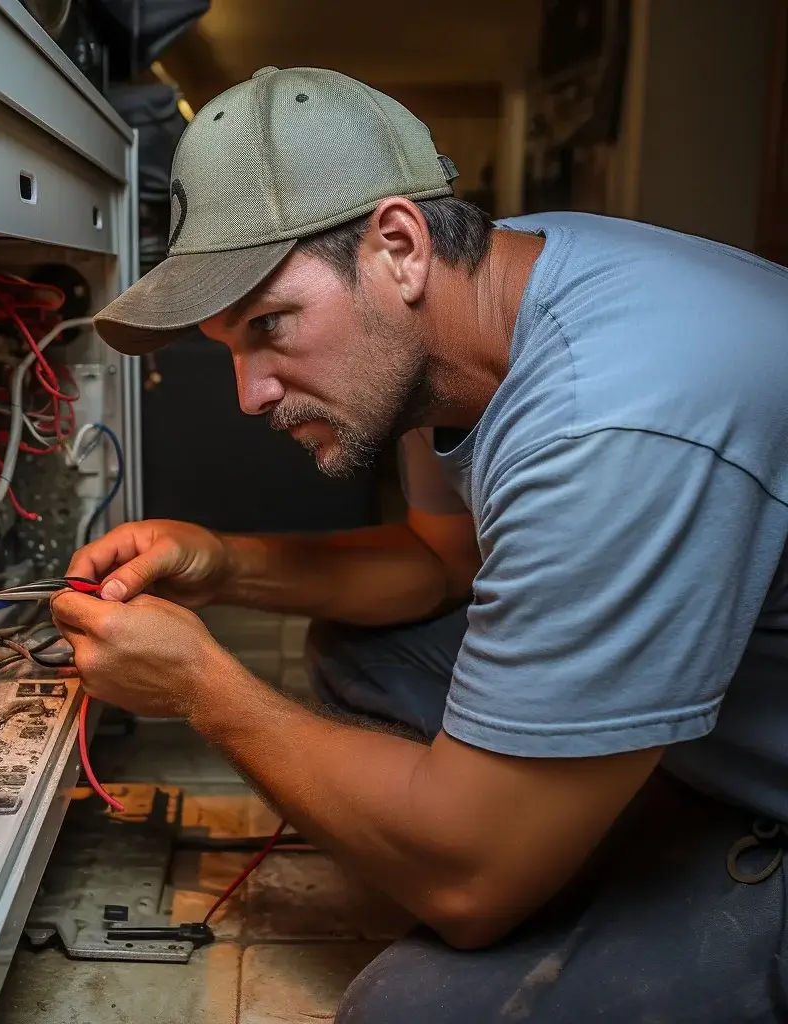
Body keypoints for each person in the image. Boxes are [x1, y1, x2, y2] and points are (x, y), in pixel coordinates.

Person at [50, 66, 788, 1022]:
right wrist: (223, 563)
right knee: (372, 647)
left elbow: (471, 894)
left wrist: (202, 686)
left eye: (271, 327)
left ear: (397, 245)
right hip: (730, 709)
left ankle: (630, 826)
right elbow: (448, 567)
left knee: (412, 1011)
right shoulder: (490, 297)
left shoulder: (606, 423)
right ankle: (593, 799)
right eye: (229, 345)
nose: (251, 395)